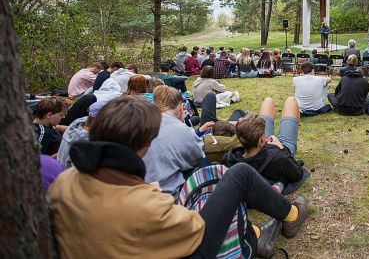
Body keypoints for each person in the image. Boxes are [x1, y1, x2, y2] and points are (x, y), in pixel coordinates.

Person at [48, 96, 309, 259]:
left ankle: (253, 231)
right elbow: (196, 230)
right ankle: (290, 216)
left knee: (212, 177)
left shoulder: (64, 182)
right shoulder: (144, 203)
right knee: (240, 174)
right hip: (192, 249)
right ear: (145, 144)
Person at [223, 97, 306, 189]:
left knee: (268, 100)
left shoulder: (230, 158)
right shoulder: (279, 158)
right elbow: (298, 174)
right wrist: (281, 148)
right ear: (262, 140)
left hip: (260, 147)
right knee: (291, 101)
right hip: (279, 149)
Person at [142, 86, 209, 193]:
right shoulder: (182, 129)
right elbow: (196, 156)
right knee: (203, 160)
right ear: (181, 107)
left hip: (142, 188)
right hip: (170, 192)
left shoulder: (142, 123)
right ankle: (208, 190)